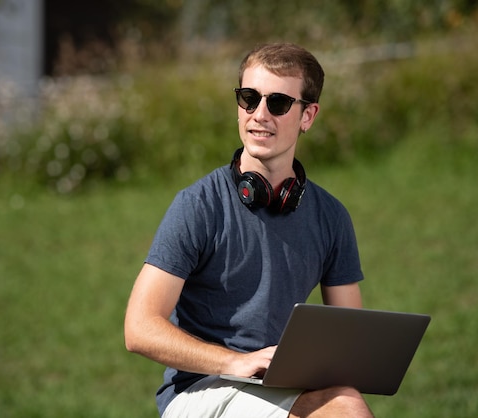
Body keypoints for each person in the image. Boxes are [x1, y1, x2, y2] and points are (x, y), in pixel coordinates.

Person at [124, 43, 374, 418]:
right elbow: (139, 328)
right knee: (345, 410)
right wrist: (234, 362)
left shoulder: (331, 217)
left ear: (308, 116)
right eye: (248, 98)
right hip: (201, 388)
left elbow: (349, 336)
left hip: (278, 386)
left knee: (346, 398)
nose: (259, 115)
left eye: (278, 103)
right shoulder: (198, 205)